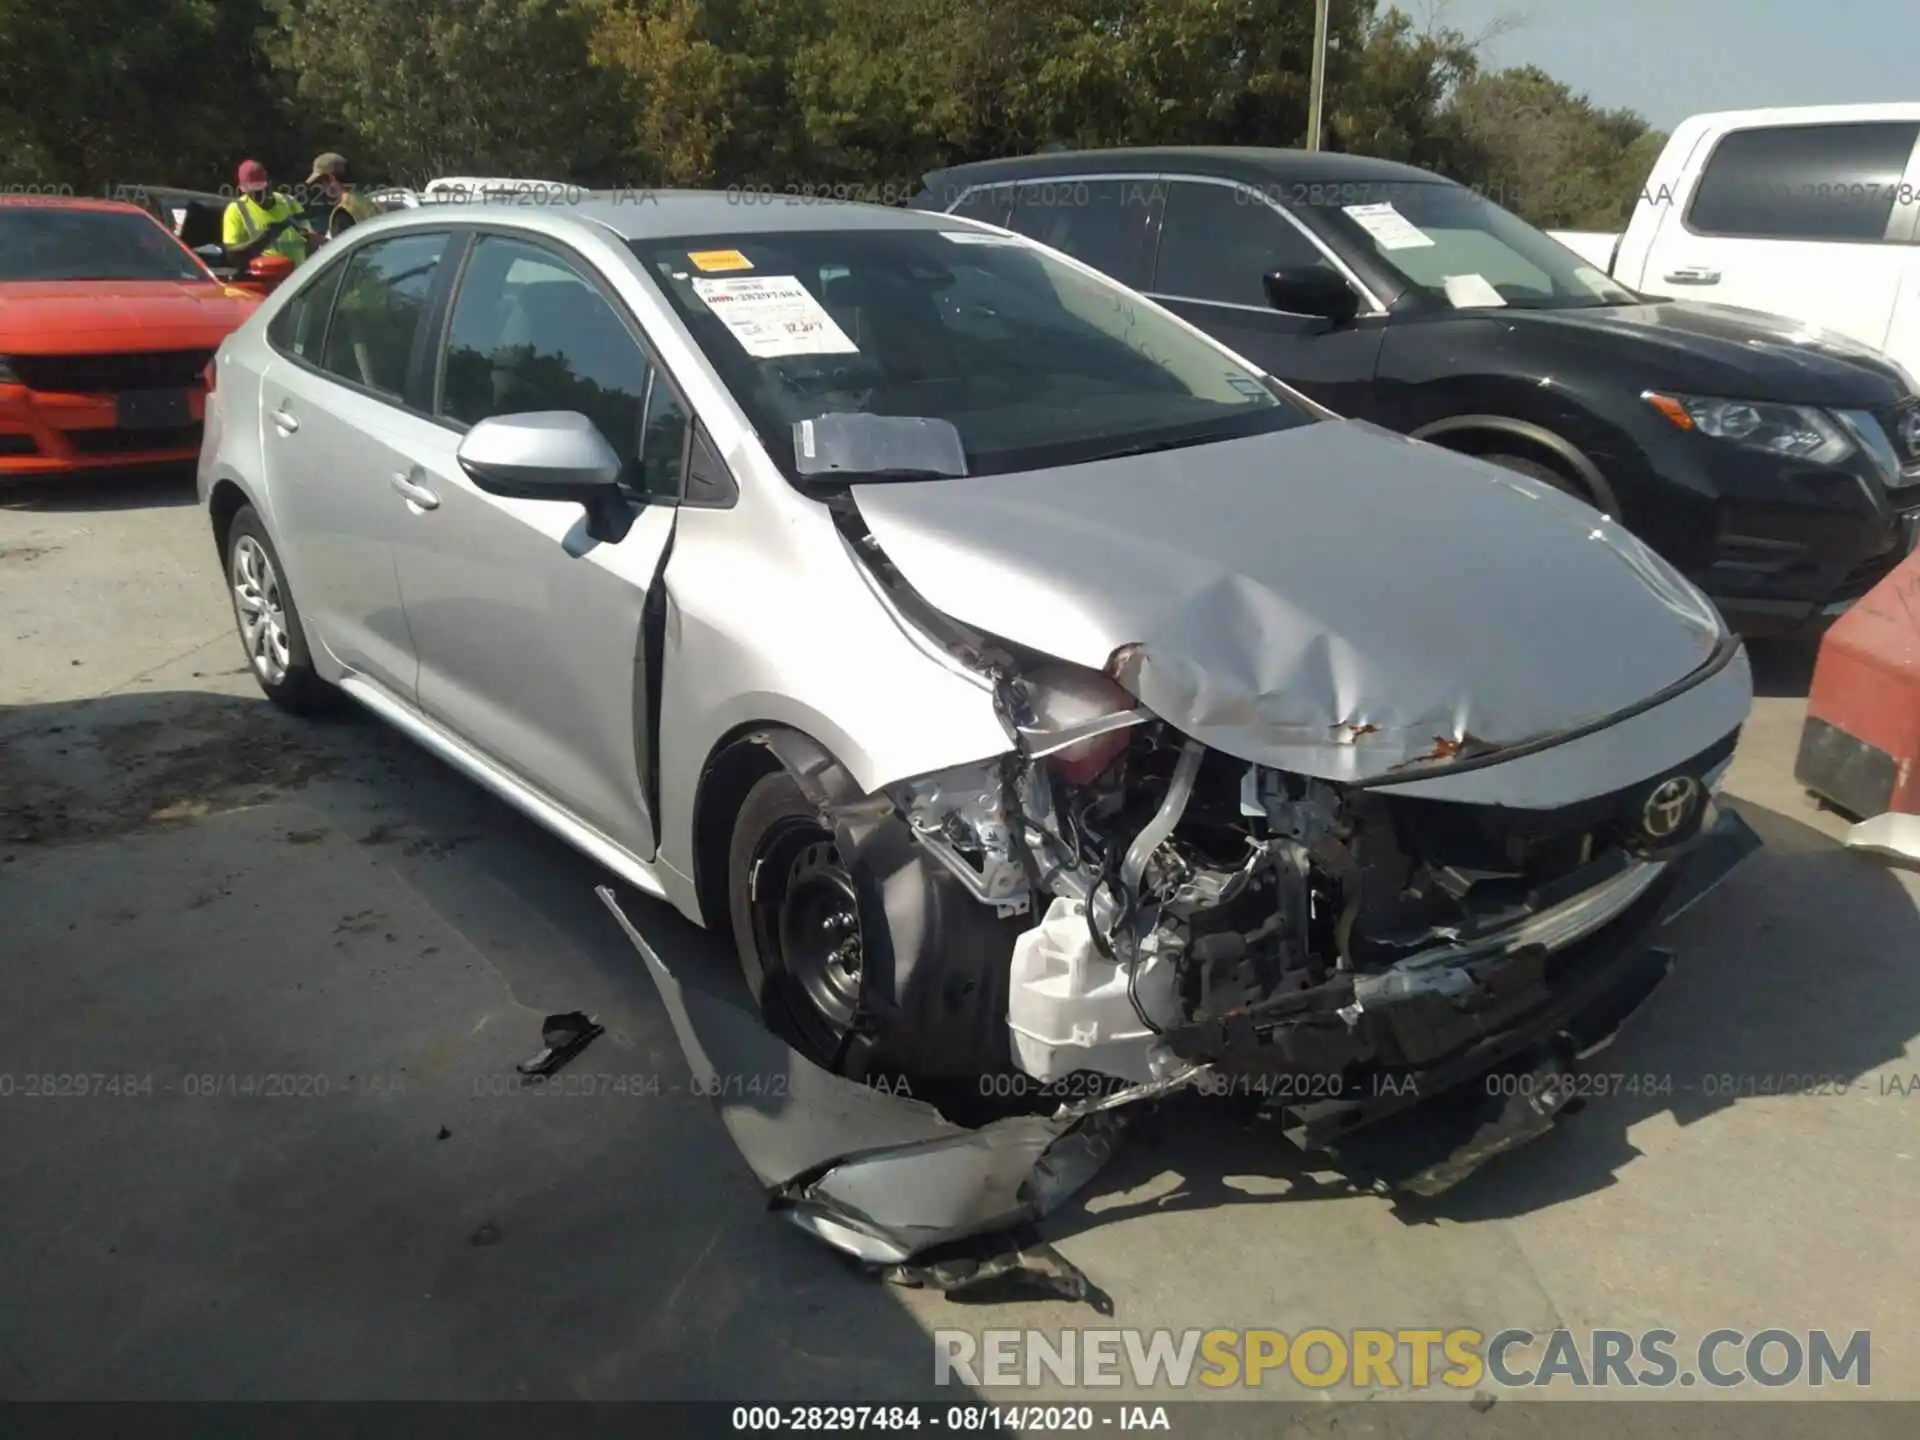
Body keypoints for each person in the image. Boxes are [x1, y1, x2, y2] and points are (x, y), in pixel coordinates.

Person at [221, 160, 315, 264]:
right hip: (265, 278)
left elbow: (312, 239)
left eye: (259, 189)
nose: (256, 195)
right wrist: (261, 240)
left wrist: (308, 235)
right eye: (250, 191)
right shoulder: (236, 209)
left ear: (269, 184)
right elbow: (231, 254)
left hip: (301, 275)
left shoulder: (289, 202)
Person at [306, 153, 380, 241]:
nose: (322, 187)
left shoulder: (343, 212)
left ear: (331, 179)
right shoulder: (364, 201)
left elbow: (342, 251)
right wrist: (322, 240)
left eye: (322, 182)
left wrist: (317, 243)